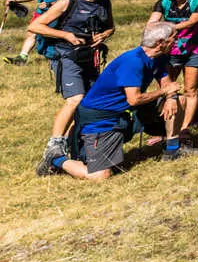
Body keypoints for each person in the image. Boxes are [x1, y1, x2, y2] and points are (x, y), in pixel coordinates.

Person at [39, 23, 188, 179]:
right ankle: (55, 158)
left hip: (123, 113)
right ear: (160, 42)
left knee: (180, 99)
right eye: (174, 39)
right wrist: (165, 92)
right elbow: (135, 99)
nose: (177, 42)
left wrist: (171, 97)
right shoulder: (133, 62)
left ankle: (172, 150)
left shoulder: (158, 57)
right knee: (100, 175)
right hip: (100, 121)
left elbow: (167, 83)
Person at [32, 0, 116, 170]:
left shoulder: (105, 3)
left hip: (90, 57)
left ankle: (73, 145)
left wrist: (104, 35)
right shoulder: (67, 3)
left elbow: (110, 27)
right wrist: (66, 36)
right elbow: (36, 26)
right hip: (67, 56)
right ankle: (54, 145)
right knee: (75, 99)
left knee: (88, 102)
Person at [145, 0, 198, 144]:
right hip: (171, 50)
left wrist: (168, 28)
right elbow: (151, 23)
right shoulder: (164, 2)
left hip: (195, 48)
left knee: (191, 90)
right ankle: (163, 126)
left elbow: (193, 21)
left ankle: (184, 129)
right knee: (167, 88)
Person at [5, 0, 71, 64]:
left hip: (53, 15)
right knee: (31, 32)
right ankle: (22, 58)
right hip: (39, 14)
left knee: (45, 36)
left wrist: (49, 4)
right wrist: (16, 1)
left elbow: (64, 1)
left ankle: (58, 57)